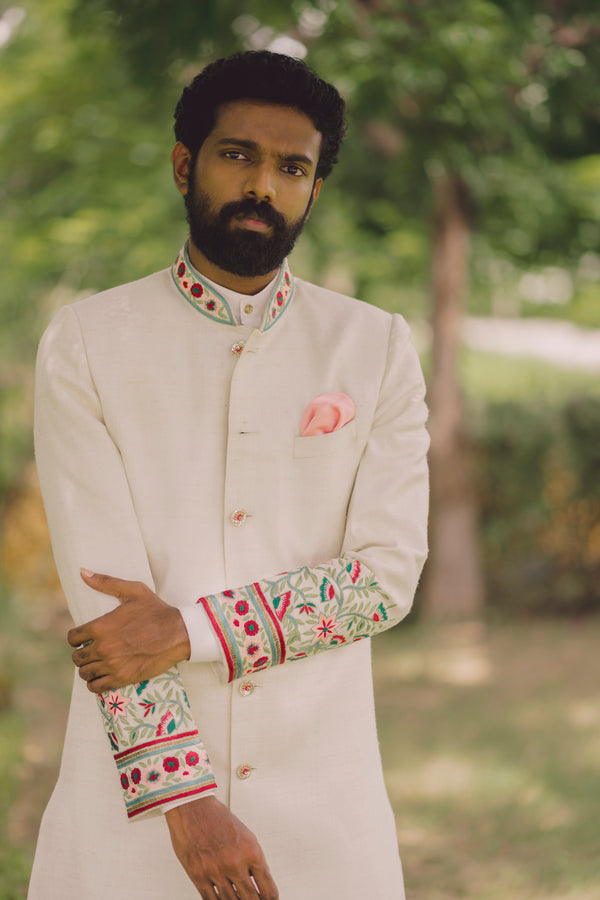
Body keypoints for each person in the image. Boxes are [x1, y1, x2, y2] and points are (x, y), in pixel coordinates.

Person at [29, 50, 429, 900]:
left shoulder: (375, 346)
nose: (264, 185)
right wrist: (187, 804)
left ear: (314, 189)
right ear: (186, 164)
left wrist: (192, 631)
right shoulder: (88, 342)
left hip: (327, 804)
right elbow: (108, 607)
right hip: (134, 810)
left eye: (292, 167)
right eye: (237, 155)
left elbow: (385, 581)